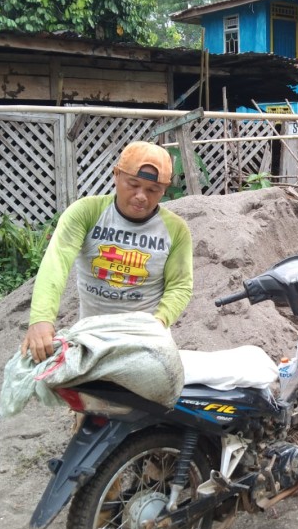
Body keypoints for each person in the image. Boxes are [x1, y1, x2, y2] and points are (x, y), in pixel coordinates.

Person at [21, 141, 193, 363]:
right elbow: (57, 262)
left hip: (146, 340)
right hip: (91, 338)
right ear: (116, 175)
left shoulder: (176, 230)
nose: (142, 196)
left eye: (153, 190)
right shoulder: (87, 213)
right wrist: (41, 319)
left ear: (164, 190)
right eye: (133, 184)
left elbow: (180, 285)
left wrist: (157, 324)